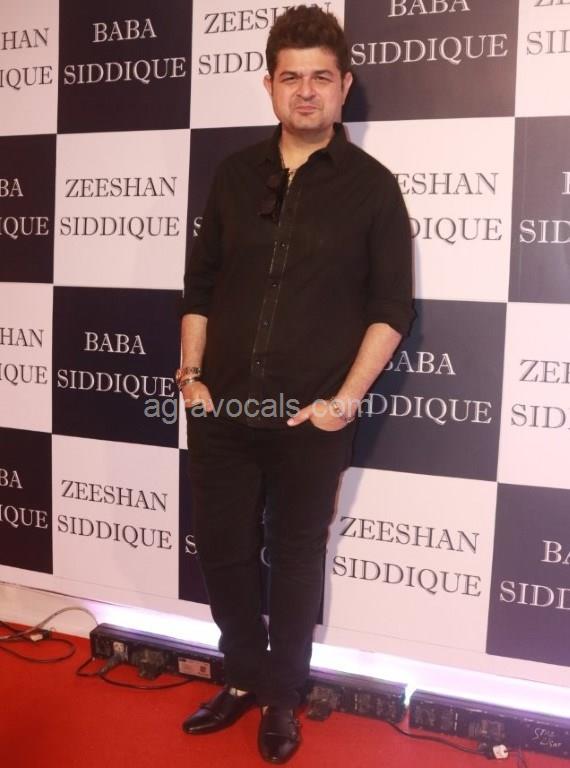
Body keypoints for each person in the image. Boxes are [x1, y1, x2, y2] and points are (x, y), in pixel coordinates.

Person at [177, 5, 414, 763]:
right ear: (269, 85)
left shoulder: (373, 189)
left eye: (320, 77)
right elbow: (201, 285)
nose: (305, 91)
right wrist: (191, 377)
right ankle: (243, 676)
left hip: (310, 419)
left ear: (344, 85)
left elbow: (392, 310)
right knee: (222, 553)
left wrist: (342, 404)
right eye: (290, 78)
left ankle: (283, 696)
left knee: (296, 557)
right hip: (220, 410)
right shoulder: (233, 175)